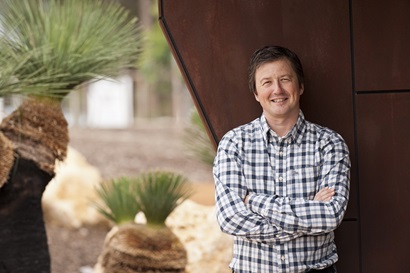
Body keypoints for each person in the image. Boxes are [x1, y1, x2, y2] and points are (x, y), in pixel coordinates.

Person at [213, 45, 350, 273]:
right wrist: (308, 214)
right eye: (267, 82)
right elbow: (230, 218)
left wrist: (254, 202)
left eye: (285, 79)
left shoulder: (330, 143)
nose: (277, 89)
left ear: (300, 86)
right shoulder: (233, 144)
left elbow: (330, 215)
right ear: (256, 93)